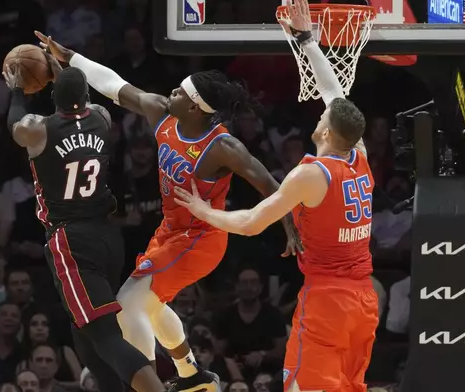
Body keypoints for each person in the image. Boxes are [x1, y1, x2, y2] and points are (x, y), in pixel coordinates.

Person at [35, 31, 301, 392]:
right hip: (170, 231)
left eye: (179, 91)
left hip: (202, 237)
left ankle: (147, 385)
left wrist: (290, 223)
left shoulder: (223, 146)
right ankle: (192, 376)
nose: (170, 92)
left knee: (129, 306)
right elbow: (115, 85)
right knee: (152, 305)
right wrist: (72, 58)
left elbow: (272, 186)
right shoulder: (163, 115)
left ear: (194, 107)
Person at [172, 0, 379, 391]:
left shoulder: (311, 174)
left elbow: (251, 223)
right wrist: (305, 40)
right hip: (363, 301)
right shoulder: (360, 156)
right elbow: (332, 91)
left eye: (322, 118)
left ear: (327, 134)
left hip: (327, 300)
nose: (319, 116)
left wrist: (203, 210)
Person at [2, 54, 171, 392]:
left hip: (71, 240)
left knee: (104, 334)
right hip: (108, 236)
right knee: (83, 330)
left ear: (53, 96)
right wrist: (63, 69)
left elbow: (15, 126)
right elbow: (84, 98)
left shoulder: (39, 129)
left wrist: (18, 89)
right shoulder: (102, 118)